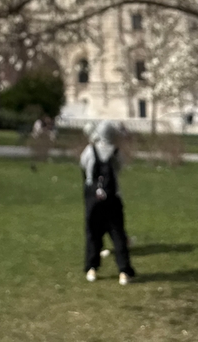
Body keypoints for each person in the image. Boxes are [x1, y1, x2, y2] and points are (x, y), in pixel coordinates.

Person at [80, 121, 136, 285]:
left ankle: (92, 268)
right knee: (117, 234)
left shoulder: (90, 150)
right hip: (112, 197)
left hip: (93, 197)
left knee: (93, 233)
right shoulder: (116, 152)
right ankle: (124, 271)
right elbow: (120, 168)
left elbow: (83, 165)